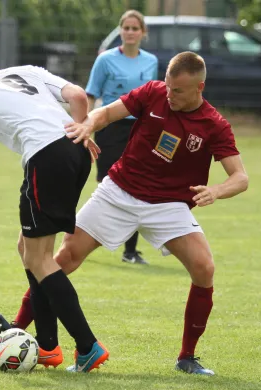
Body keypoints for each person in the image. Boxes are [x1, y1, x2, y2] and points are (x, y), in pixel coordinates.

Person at [0, 51, 249, 375]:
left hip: (168, 206)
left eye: (178, 91)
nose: (169, 95)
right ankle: (20, 328)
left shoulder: (214, 124)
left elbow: (240, 177)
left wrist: (216, 191)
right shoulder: (153, 93)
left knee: (204, 267)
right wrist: (87, 125)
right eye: (168, 87)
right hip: (119, 192)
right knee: (62, 259)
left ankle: (187, 357)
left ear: (200, 87)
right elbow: (107, 113)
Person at [0, 54, 109, 373]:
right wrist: (83, 132)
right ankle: (48, 346)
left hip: (45, 156)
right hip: (76, 149)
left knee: (39, 259)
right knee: (29, 249)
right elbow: (78, 95)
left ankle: (88, 346)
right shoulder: (25, 71)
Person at [87, 10, 158, 264]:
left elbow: (153, 99)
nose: (130, 32)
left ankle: (130, 251)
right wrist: (84, 127)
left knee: (137, 186)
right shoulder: (105, 60)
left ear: (143, 32)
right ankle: (82, 239)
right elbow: (90, 94)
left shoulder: (151, 61)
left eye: (134, 28)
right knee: (108, 186)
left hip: (140, 129)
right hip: (109, 128)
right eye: (125, 28)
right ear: (120, 31)